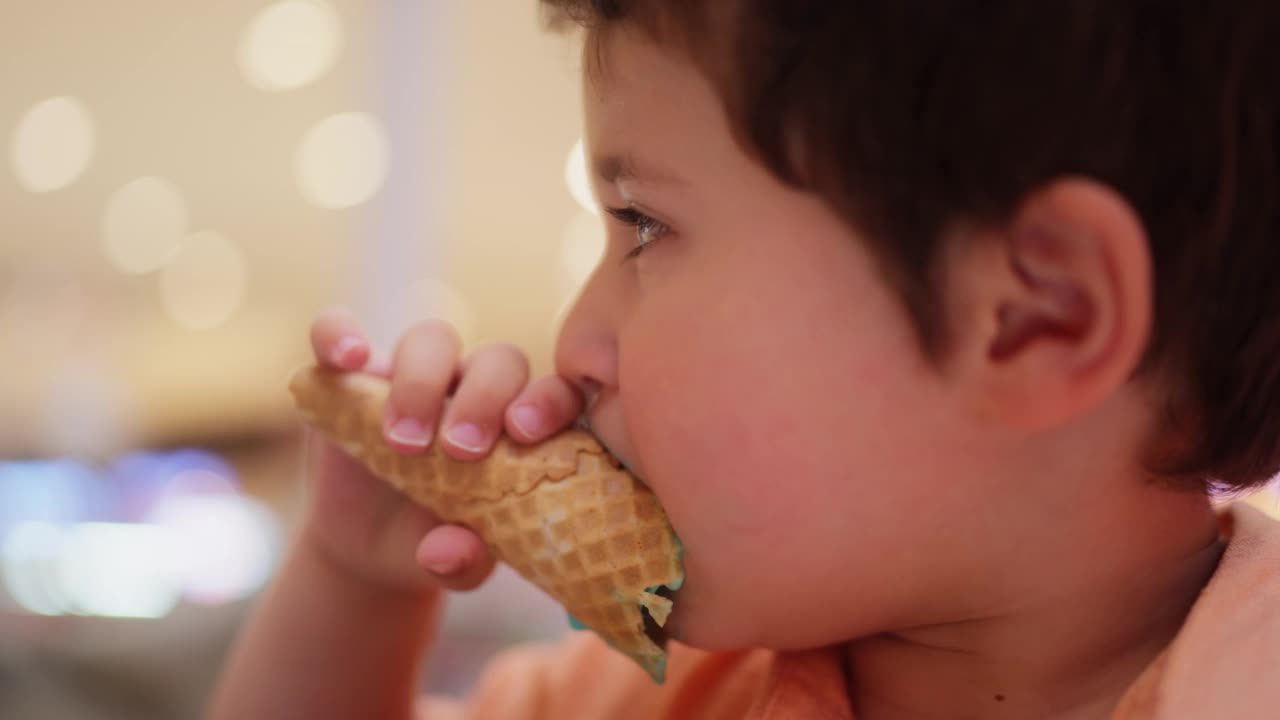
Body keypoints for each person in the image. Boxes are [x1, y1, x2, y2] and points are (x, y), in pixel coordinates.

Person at [209, 2, 1280, 718]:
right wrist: (352, 585)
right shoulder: (638, 697)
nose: (576, 340)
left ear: (1032, 316)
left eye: (642, 225)